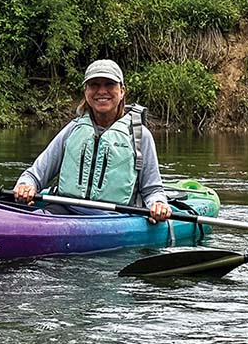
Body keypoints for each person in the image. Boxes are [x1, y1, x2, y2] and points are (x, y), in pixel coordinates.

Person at [14, 59, 171, 222]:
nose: (101, 91)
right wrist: (26, 185)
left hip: (116, 218)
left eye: (109, 84)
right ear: (86, 91)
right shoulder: (72, 129)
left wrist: (158, 204)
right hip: (66, 209)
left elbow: (152, 190)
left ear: (122, 91)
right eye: (94, 85)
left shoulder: (140, 135)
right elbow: (34, 175)